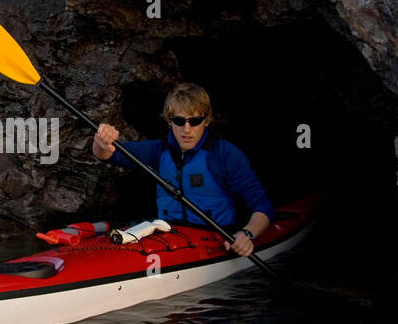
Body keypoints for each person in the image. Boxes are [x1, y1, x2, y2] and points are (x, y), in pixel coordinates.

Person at [92, 82, 273, 257]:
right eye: (179, 121)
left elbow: (262, 206)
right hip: (167, 235)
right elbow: (108, 154)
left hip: (217, 238)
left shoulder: (226, 154)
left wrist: (247, 234)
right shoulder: (158, 150)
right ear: (169, 121)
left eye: (194, 121)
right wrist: (101, 140)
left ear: (207, 120)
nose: (187, 129)